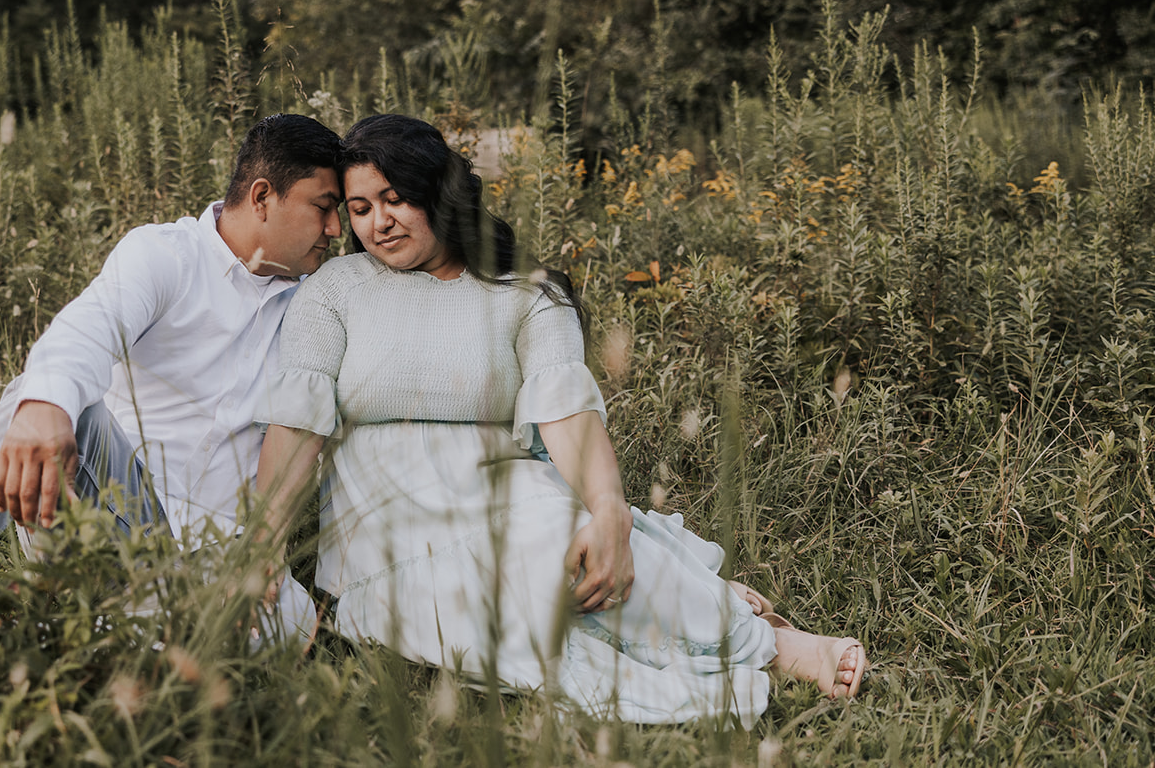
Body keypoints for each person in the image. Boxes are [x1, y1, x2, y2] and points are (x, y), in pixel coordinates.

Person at [254, 114, 866, 725]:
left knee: (569, 549)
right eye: (359, 208)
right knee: (518, 608)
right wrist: (262, 545)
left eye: (394, 199)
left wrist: (609, 512)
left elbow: (567, 413)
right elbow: (297, 424)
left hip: (504, 490)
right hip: (382, 523)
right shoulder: (335, 289)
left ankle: (777, 645)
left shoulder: (526, 295)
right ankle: (714, 609)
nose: (377, 223)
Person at [0, 114, 343, 638]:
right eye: (323, 208)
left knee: (285, 633)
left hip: (225, 557)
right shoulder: (167, 255)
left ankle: (106, 636)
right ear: (263, 197)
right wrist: (45, 409)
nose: (334, 230)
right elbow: (87, 329)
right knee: (41, 400)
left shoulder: (315, 301)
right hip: (110, 516)